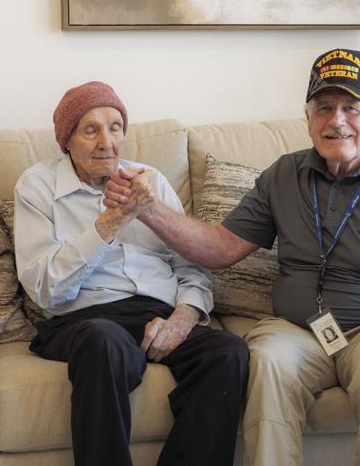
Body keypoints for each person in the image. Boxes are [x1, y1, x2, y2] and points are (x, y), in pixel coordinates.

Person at [104, 49, 360, 466]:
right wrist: (148, 208)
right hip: (299, 331)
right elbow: (220, 248)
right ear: (308, 120)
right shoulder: (283, 176)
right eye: (324, 108)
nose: (336, 120)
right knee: (266, 360)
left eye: (351, 108)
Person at [14, 81, 249, 466]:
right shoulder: (37, 186)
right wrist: (111, 222)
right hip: (83, 319)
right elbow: (46, 289)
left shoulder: (150, 181)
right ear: (66, 140)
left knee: (229, 352)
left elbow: (192, 265)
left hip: (156, 314)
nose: (106, 142)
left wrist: (183, 317)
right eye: (90, 130)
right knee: (103, 340)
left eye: (115, 127)